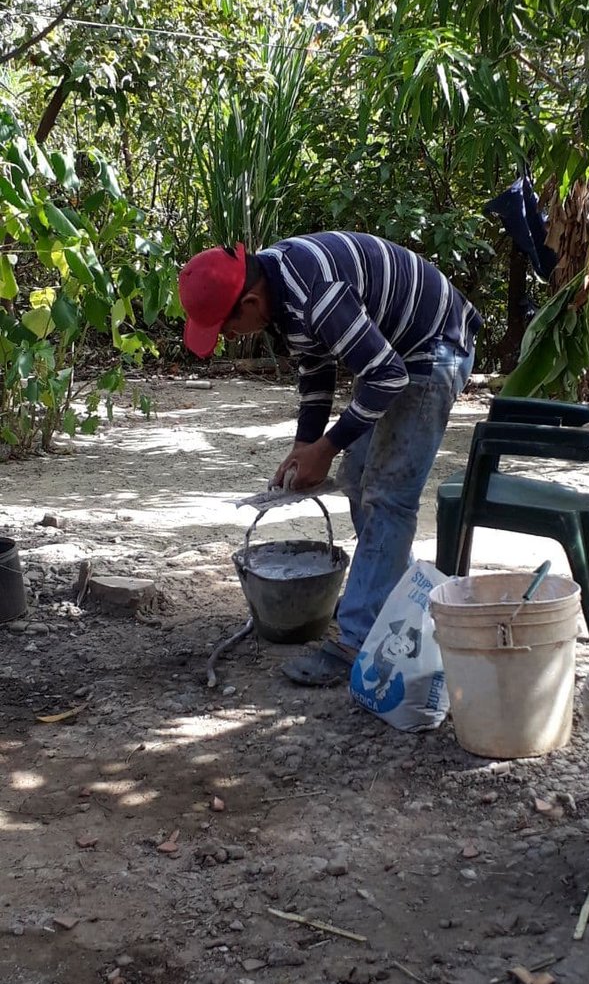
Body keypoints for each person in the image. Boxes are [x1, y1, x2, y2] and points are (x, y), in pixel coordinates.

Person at [179, 232, 482, 686]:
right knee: (357, 480)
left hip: (433, 348)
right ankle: (385, 599)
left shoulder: (315, 293)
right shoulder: (280, 290)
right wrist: (305, 445)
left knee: (387, 496)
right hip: (395, 354)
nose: (226, 337)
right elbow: (316, 368)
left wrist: (326, 447)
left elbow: (388, 378)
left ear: (250, 302)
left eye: (225, 326)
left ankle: (357, 643)